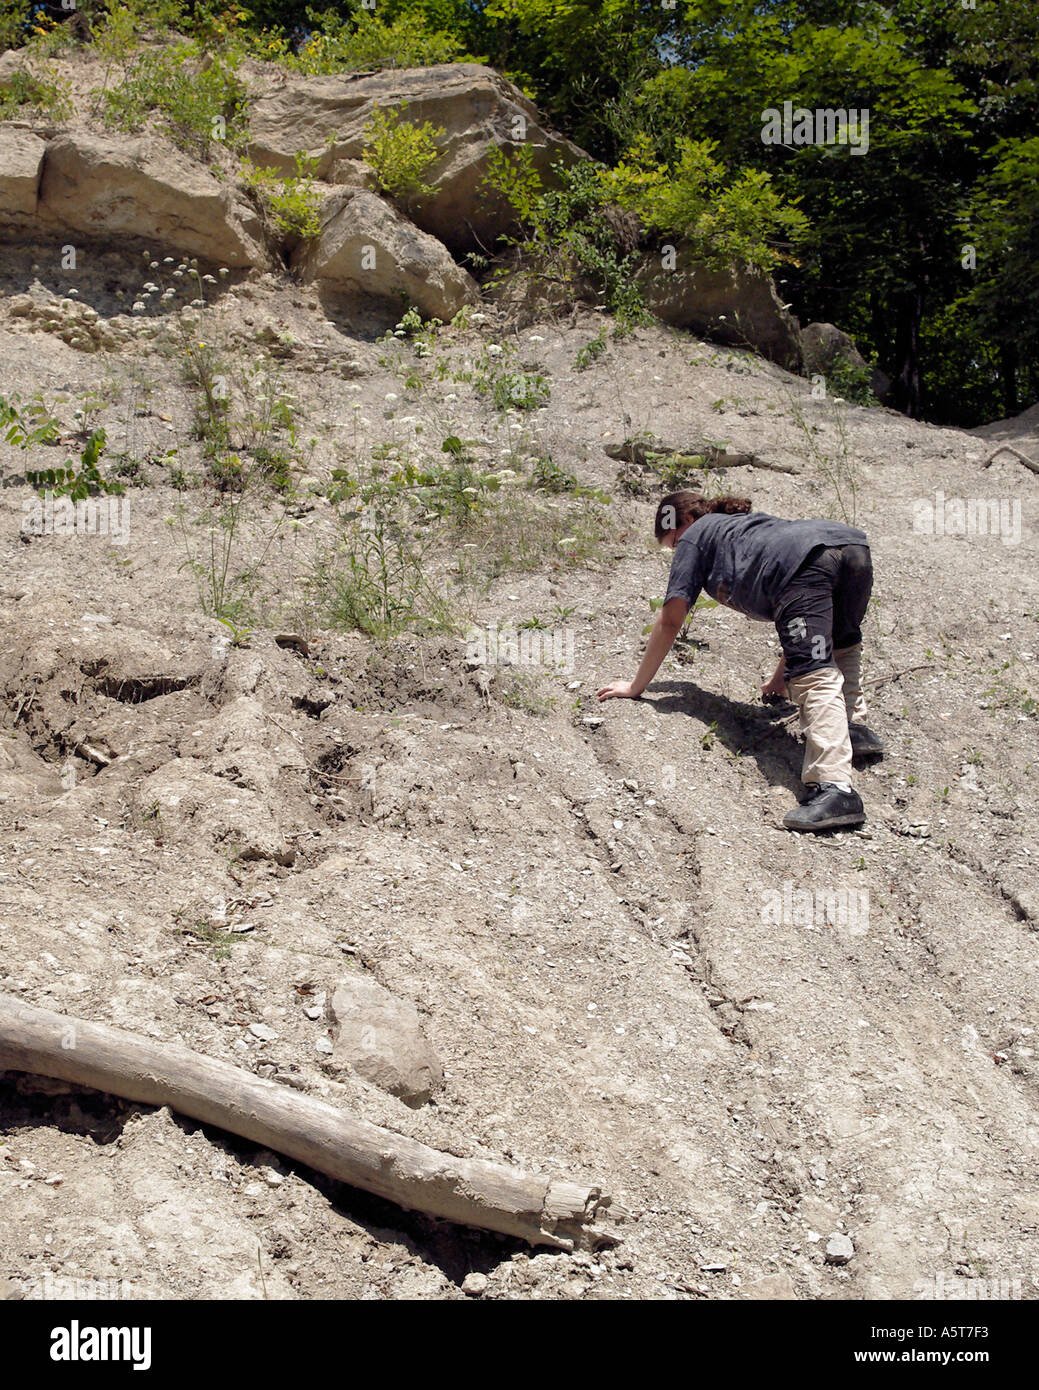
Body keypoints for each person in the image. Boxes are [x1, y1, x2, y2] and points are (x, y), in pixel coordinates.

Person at [596, 490, 883, 832]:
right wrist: (779, 679)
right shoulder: (744, 530)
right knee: (839, 643)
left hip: (806, 564)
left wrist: (635, 686)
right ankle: (853, 729)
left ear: (684, 522)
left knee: (813, 672)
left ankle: (834, 788)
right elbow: (802, 620)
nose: (676, 551)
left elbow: (671, 620)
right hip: (850, 549)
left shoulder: (697, 537)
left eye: (672, 543)